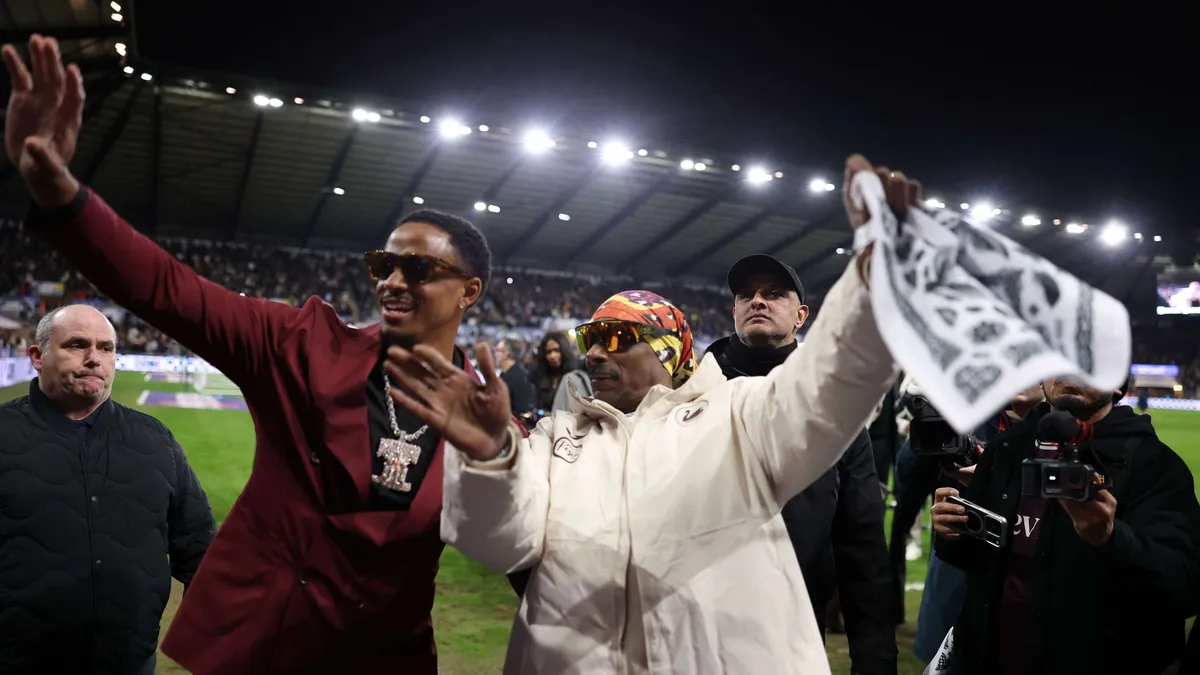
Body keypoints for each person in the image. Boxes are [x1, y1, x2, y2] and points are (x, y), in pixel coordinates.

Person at [3, 36, 497, 674]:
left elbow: (524, 550)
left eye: (419, 268)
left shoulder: (488, 421)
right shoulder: (301, 343)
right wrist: (62, 196)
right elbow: (169, 290)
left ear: (469, 292)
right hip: (269, 647)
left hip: (383, 657)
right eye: (385, 264)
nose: (393, 282)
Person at [382, 155, 922, 673]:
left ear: (668, 352)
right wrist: (490, 459)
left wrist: (871, 287)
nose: (595, 354)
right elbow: (502, 545)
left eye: (617, 337)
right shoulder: (555, 438)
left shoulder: (733, 415)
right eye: (589, 338)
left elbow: (823, 395)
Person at [705, 253, 896, 674]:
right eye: (746, 295)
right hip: (698, 623)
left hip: (796, 620)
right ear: (734, 311)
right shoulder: (692, 396)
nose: (758, 301)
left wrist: (875, 662)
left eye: (774, 294)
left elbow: (862, 546)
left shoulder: (834, 407)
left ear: (801, 316)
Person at [930, 376, 1200, 674]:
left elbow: (1184, 589)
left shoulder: (1155, 466)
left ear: (1117, 383)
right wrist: (952, 533)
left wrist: (1112, 539)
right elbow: (981, 564)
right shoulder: (1007, 446)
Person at [0, 305, 214, 674]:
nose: (94, 359)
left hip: (129, 660)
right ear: (37, 356)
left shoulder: (156, 440)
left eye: (106, 348)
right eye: (77, 345)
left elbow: (198, 547)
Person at [531, 331, 592, 414]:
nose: (552, 356)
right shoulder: (540, 376)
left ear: (564, 350)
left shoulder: (575, 375)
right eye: (548, 352)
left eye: (556, 350)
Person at [496, 337, 536, 416]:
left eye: (497, 350)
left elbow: (523, 412)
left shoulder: (521, 378)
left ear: (505, 354)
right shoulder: (503, 375)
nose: (495, 354)